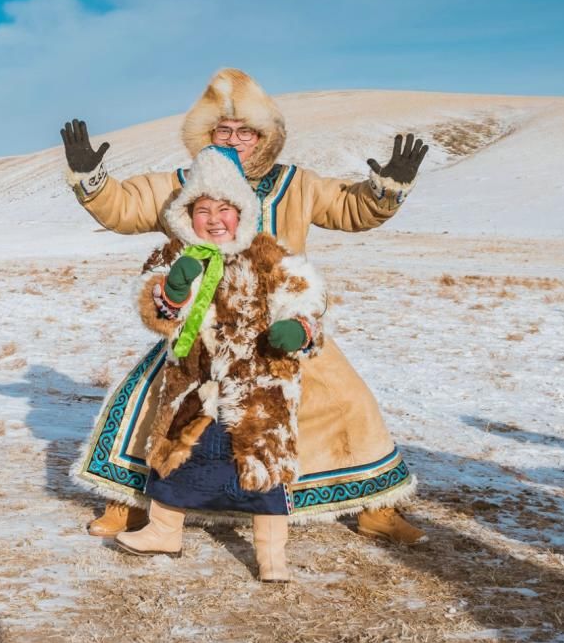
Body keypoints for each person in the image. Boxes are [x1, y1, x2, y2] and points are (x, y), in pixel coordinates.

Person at [64, 68, 429, 545]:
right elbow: (125, 206)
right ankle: (129, 504)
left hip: (281, 324)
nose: (234, 140)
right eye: (223, 131)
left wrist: (383, 190)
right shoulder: (183, 184)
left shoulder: (295, 184)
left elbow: (349, 207)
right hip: (203, 324)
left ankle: (374, 508)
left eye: (246, 132)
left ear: (266, 138)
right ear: (207, 136)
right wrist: (93, 179)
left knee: (347, 401)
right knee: (153, 403)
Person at [114, 145, 328, 582]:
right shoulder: (173, 254)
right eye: (203, 209)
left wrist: (299, 329)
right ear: (186, 213)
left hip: (261, 383)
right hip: (193, 381)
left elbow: (306, 295)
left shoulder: (269, 254)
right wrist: (173, 290)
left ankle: (272, 557)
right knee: (176, 459)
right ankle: (162, 532)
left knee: (264, 466)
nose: (214, 220)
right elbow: (158, 311)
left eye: (225, 209)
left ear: (243, 212)